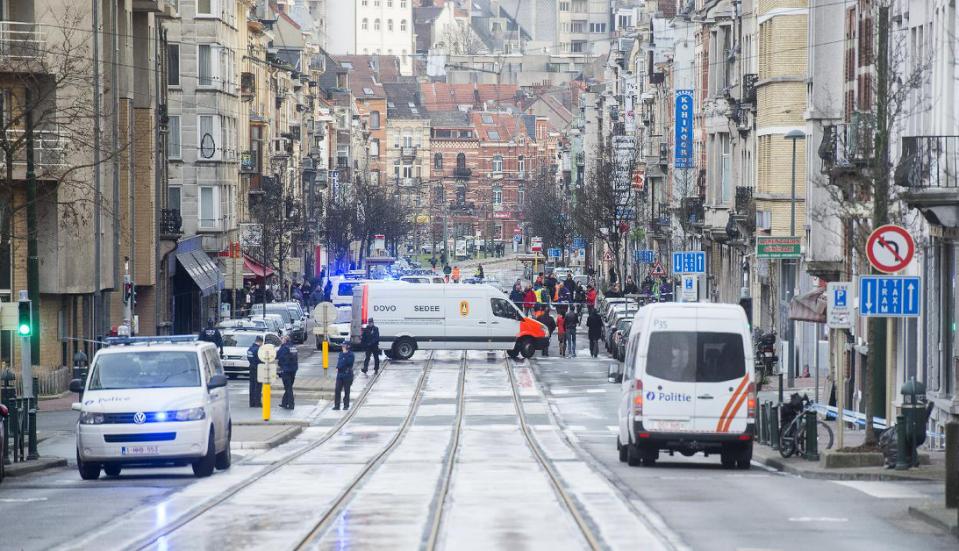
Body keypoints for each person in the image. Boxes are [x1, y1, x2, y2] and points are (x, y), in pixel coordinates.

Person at [277, 336, 298, 409]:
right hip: (293, 370)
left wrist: (280, 365)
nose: (281, 341)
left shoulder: (284, 348)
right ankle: (284, 403)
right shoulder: (293, 347)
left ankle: (291, 404)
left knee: (288, 388)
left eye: (282, 339)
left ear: (285, 341)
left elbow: (279, 356)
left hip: (286, 370)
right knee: (289, 387)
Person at [333, 342, 355, 410]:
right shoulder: (341, 353)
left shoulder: (351, 354)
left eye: (344, 346)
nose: (342, 347)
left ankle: (346, 405)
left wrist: (344, 356)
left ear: (348, 347)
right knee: (337, 389)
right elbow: (339, 362)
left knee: (346, 390)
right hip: (340, 374)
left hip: (347, 374)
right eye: (342, 346)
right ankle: (337, 405)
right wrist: (337, 367)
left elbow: (348, 363)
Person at [247, 336, 263, 408]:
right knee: (258, 386)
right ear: (260, 342)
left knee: (252, 385)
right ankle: (257, 402)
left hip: (251, 368)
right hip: (258, 368)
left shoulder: (250, 349)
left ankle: (252, 402)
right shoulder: (258, 349)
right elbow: (261, 360)